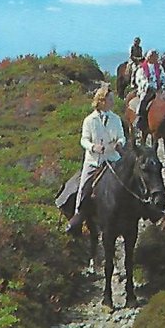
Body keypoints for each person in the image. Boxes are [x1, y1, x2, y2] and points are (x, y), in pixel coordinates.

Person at [65, 84, 127, 234]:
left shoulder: (116, 118)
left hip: (113, 159)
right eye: (110, 99)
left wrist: (120, 143)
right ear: (102, 101)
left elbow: (121, 136)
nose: (112, 102)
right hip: (94, 161)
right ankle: (77, 218)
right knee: (84, 187)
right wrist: (93, 147)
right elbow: (84, 140)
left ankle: (147, 209)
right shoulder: (89, 120)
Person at [134, 49, 165, 132]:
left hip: (158, 90)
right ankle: (140, 119)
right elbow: (140, 79)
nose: (155, 58)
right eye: (153, 56)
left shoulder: (159, 67)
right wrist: (147, 85)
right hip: (147, 90)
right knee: (144, 100)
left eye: (156, 56)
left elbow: (163, 77)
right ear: (148, 57)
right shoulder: (142, 68)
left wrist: (162, 86)